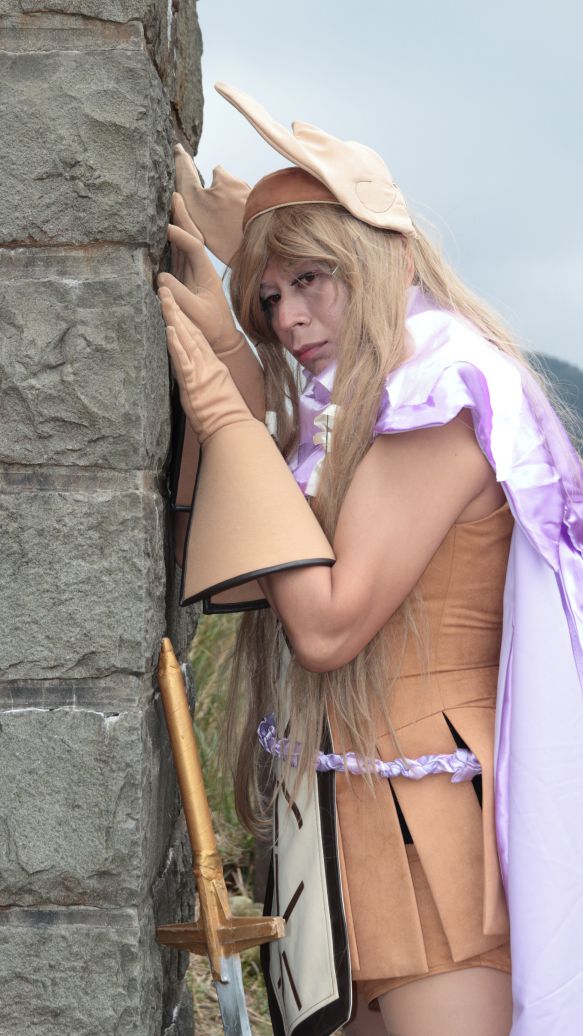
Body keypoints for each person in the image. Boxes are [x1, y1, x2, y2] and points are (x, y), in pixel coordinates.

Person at [157, 84, 583, 1036]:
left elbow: (325, 622)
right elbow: (238, 566)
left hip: (435, 832)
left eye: (311, 279)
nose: (288, 318)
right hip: (331, 832)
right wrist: (235, 364)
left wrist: (231, 418)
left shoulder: (442, 390)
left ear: (380, 258)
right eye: (269, 298)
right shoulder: (348, 414)